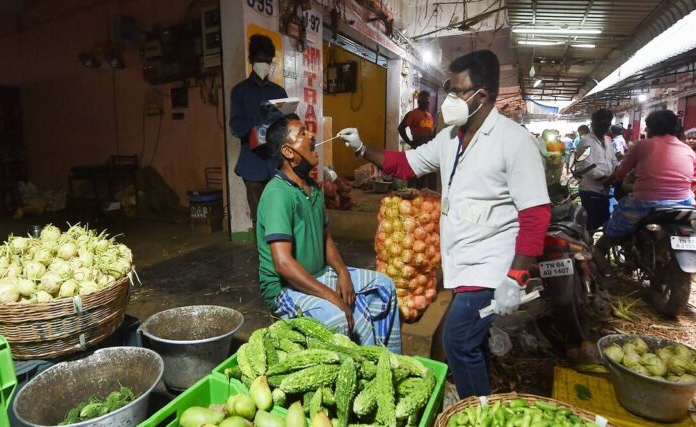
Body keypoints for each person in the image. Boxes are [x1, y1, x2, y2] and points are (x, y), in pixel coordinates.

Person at [337, 50, 551, 397]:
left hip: (491, 265)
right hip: (460, 261)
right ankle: (484, 401)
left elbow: (535, 214)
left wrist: (516, 277)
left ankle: (474, 411)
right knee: (474, 343)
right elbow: (406, 164)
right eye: (448, 89)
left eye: (458, 91)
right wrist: (362, 148)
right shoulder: (451, 138)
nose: (449, 99)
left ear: (481, 96)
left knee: (457, 339)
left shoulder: (514, 141)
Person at [256, 114, 402, 352]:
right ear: (288, 152)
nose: (312, 135)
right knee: (340, 319)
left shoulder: (312, 188)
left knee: (384, 287)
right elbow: (282, 264)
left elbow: (327, 240)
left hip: (320, 275)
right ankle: (368, 368)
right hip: (286, 289)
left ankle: (391, 364)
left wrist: (342, 272)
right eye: (302, 133)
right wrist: (331, 296)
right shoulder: (277, 194)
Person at [595, 110, 696, 273]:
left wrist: (611, 179)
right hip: (683, 202)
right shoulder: (688, 150)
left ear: (651, 127)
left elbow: (621, 172)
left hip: (646, 201)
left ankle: (598, 263)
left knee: (612, 229)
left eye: (647, 127)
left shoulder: (642, 146)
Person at [230, 34, 288, 234]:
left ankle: (282, 260)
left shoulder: (279, 92)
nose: (265, 64)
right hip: (252, 166)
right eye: (260, 60)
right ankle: (265, 262)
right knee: (260, 219)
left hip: (276, 163)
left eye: (268, 61)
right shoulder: (239, 91)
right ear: (251, 60)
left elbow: (285, 123)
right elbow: (235, 125)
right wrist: (257, 127)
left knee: (280, 215)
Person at [575, 109, 619, 232]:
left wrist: (617, 174)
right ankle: (588, 248)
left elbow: (613, 161)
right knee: (591, 225)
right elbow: (586, 166)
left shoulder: (608, 142)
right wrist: (605, 180)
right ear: (593, 124)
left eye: (607, 123)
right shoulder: (585, 142)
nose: (604, 125)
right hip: (590, 191)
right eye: (601, 122)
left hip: (604, 190)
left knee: (604, 222)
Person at [398, 91, 437, 189]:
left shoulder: (429, 116)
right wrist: (409, 142)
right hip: (417, 148)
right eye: (425, 99)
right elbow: (401, 128)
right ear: (420, 101)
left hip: (429, 151)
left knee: (428, 179)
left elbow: (432, 134)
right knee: (416, 178)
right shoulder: (412, 114)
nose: (428, 101)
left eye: (428, 99)